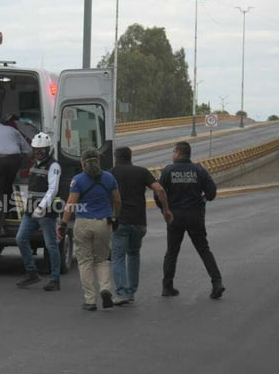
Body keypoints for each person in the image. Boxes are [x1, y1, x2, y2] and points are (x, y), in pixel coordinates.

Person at [158, 141, 225, 299]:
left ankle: (167, 287)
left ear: (179, 153)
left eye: (174, 152)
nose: (172, 155)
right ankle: (217, 283)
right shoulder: (199, 170)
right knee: (204, 250)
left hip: (175, 217)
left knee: (172, 252)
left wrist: (165, 210)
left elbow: (158, 192)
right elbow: (212, 193)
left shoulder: (168, 170)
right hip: (195, 216)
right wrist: (202, 197)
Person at [109, 146, 173, 305]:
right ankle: (131, 293)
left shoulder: (110, 173)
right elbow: (160, 190)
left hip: (120, 221)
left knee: (117, 257)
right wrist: (165, 210)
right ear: (130, 157)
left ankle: (121, 293)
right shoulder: (142, 171)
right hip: (139, 222)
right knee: (133, 255)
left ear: (116, 157)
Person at [58, 149, 121, 311]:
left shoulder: (78, 180)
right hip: (104, 223)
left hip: (83, 223)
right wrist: (115, 217)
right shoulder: (109, 177)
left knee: (85, 261)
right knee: (103, 259)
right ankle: (105, 288)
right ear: (98, 161)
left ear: (82, 162)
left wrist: (63, 224)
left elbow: (70, 204)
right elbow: (117, 200)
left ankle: (90, 300)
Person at [15, 133, 64, 291]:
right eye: (36, 150)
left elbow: (53, 189)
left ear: (48, 150)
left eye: (41, 150)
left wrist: (41, 207)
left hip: (46, 212)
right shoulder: (34, 164)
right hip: (30, 210)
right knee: (20, 239)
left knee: (51, 245)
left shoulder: (54, 166)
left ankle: (55, 279)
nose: (38, 153)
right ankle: (32, 273)